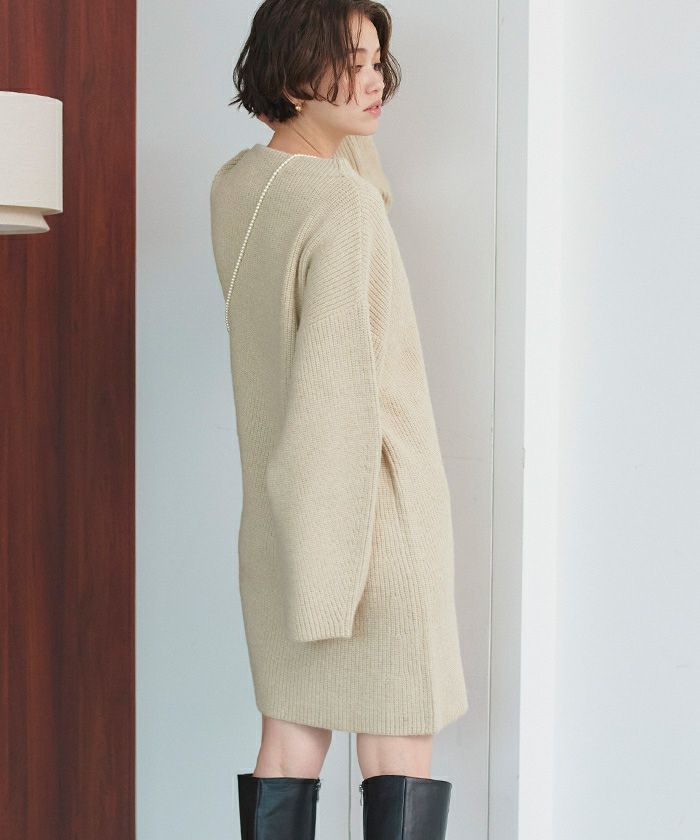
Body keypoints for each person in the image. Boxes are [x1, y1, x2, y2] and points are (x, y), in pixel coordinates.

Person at [209, 2, 469, 837]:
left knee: (289, 740)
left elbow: (361, 185)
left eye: (375, 59)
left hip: (282, 528)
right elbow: (334, 400)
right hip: (368, 529)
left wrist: (329, 120)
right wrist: (332, 585)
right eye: (348, 62)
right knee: (398, 748)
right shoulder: (342, 209)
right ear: (293, 73)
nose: (373, 79)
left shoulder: (240, 186)